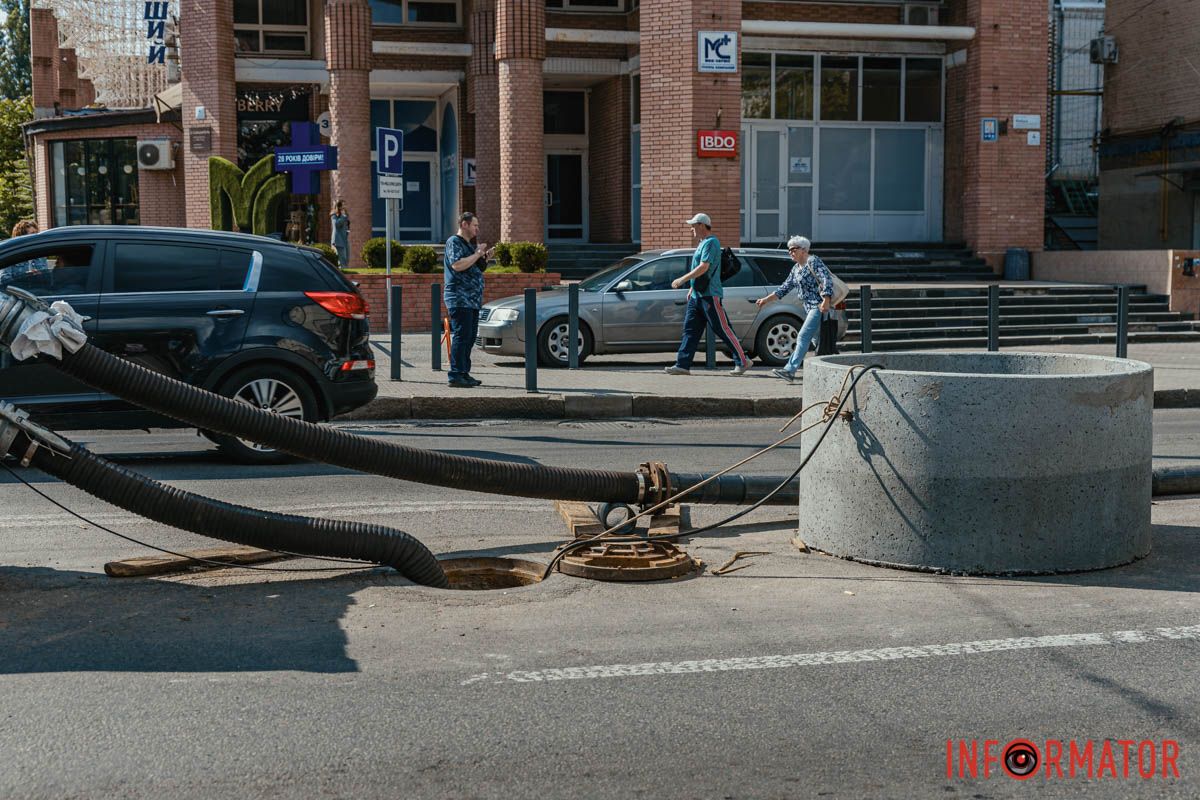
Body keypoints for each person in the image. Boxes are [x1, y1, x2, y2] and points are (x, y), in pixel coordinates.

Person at [662, 213, 751, 377]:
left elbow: (704, 267)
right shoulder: (702, 243)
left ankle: (743, 361)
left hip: (710, 295)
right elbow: (700, 269)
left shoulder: (712, 243)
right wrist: (691, 288)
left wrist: (682, 279)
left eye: (693, 226)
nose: (691, 229)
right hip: (697, 295)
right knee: (690, 331)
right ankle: (682, 365)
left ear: (702, 225)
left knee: (722, 329)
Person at [756, 235, 833, 383]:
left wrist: (826, 300)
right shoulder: (796, 269)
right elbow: (784, 288)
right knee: (820, 342)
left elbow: (826, 279)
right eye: (789, 250)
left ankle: (789, 370)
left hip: (818, 306)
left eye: (793, 249)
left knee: (803, 336)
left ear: (803, 250)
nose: (790, 252)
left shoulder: (813, 261)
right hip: (808, 307)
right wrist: (765, 300)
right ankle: (832, 368)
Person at [443, 211, 493, 388]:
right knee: (462, 337)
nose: (477, 229)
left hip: (472, 300)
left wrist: (484, 257)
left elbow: (474, 268)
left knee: (470, 337)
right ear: (464, 224)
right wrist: (478, 254)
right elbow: (457, 265)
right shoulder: (454, 242)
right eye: (475, 225)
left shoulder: (468, 245)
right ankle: (455, 375)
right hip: (459, 298)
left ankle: (464, 373)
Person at [0, 220, 49, 289]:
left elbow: (49, 281)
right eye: (32, 234)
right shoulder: (11, 255)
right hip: (17, 297)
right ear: (22, 237)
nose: (36, 237)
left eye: (36, 233)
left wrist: (40, 276)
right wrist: (23, 277)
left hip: (39, 295)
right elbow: (3, 280)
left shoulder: (41, 256)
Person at [330, 200, 351, 267]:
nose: (345, 207)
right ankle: (342, 275)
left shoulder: (344, 215)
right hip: (338, 240)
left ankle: (345, 272)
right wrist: (343, 216)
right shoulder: (334, 216)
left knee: (347, 258)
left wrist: (347, 230)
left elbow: (346, 225)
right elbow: (336, 225)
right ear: (339, 207)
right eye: (343, 205)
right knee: (342, 260)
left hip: (344, 239)